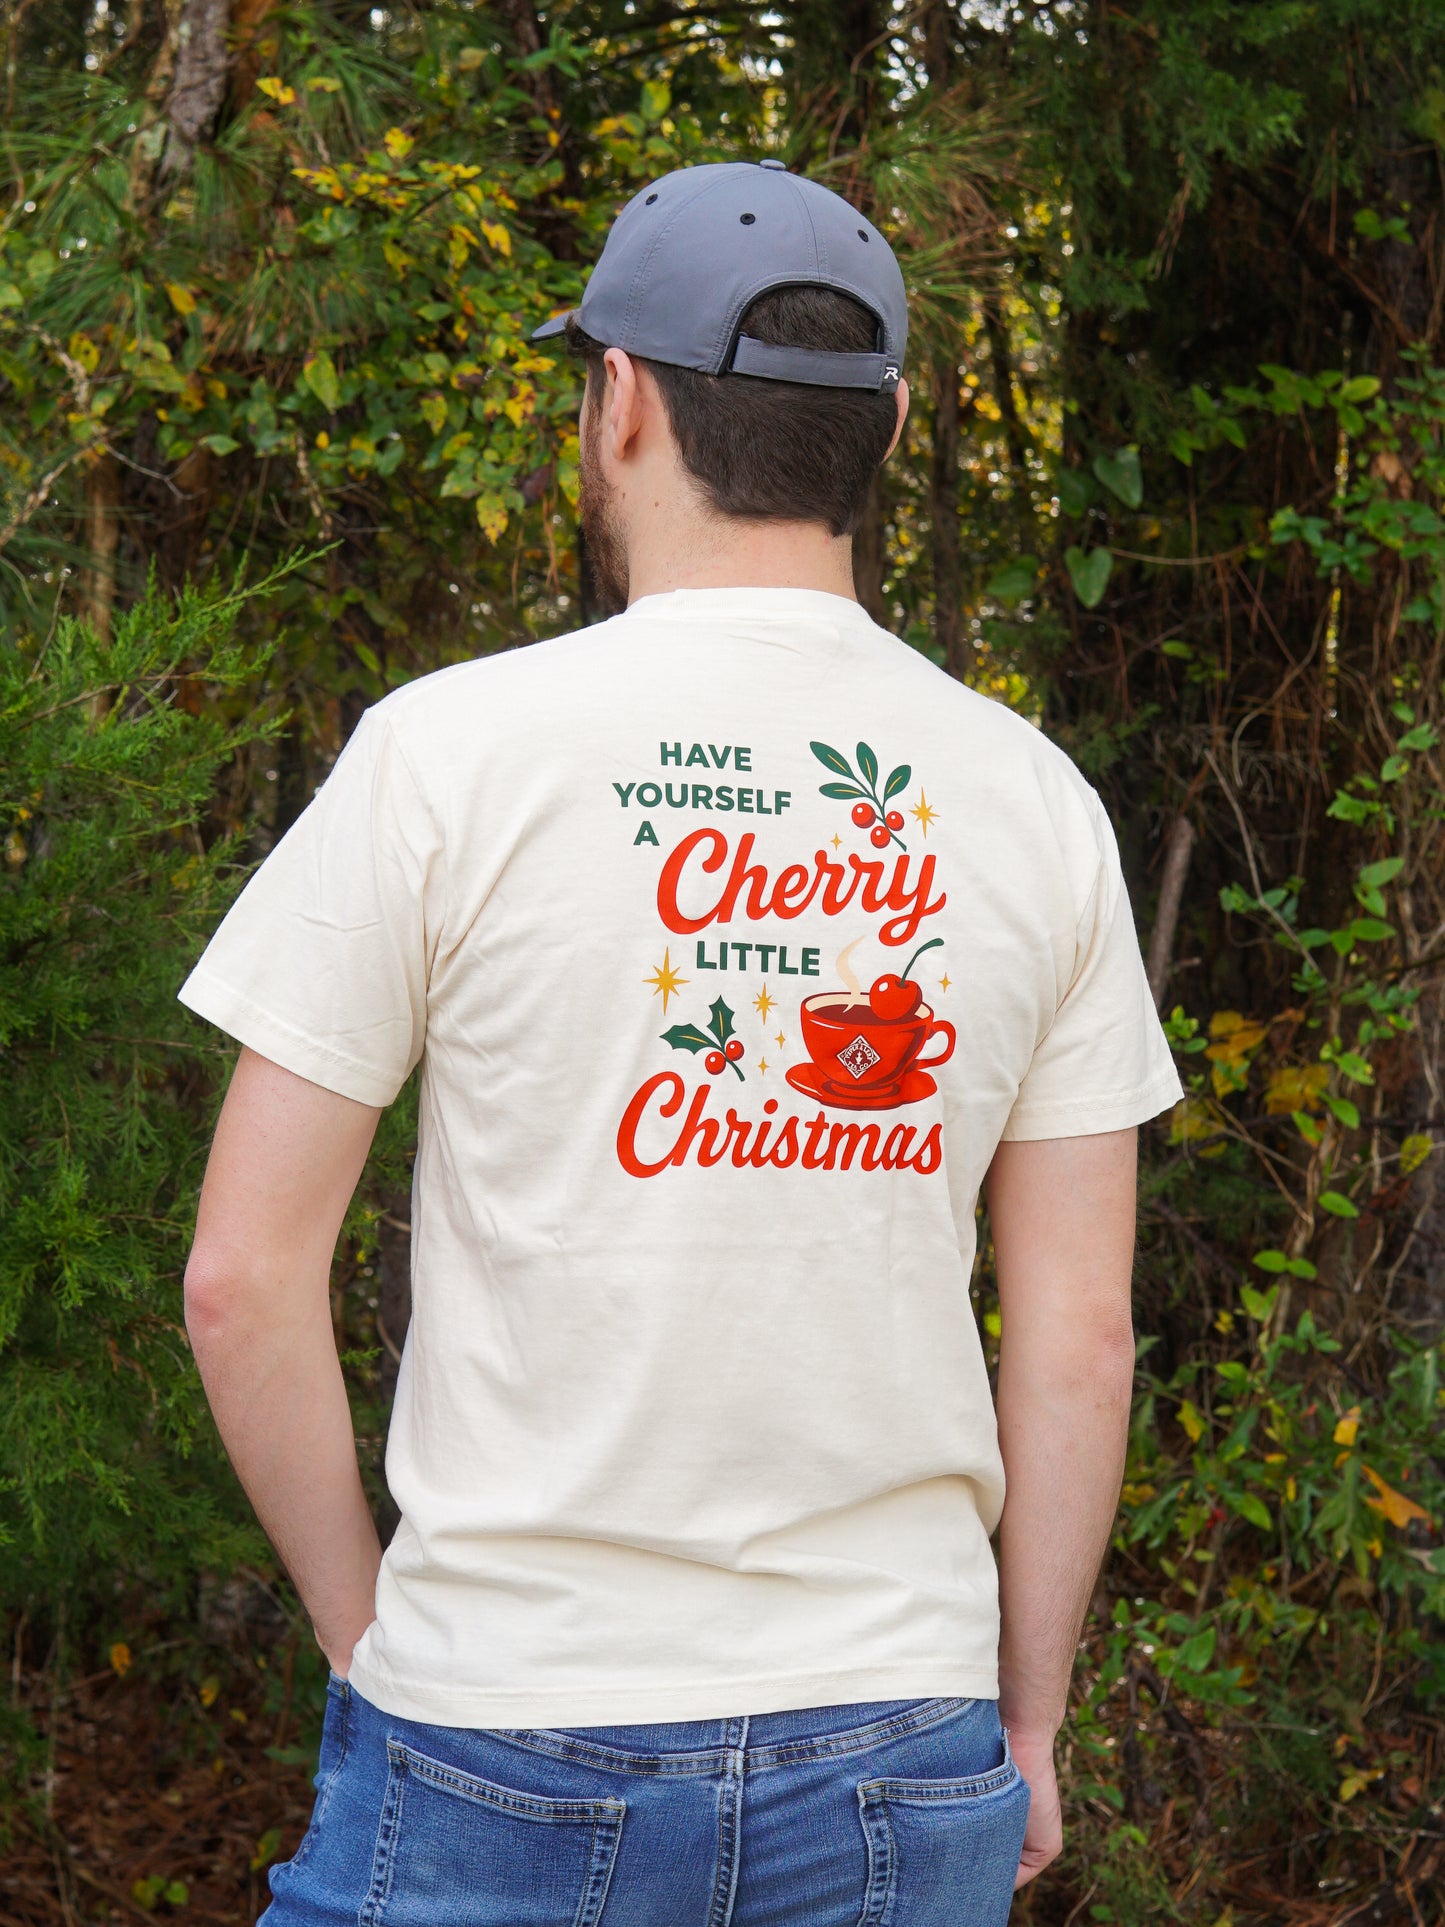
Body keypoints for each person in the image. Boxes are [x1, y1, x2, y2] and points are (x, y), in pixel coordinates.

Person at [180, 160, 1183, 1926]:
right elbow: (1079, 1334)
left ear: (619, 402)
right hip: (897, 1727)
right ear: (880, 425)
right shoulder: (1032, 801)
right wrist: (1026, 1719)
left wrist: (372, 1637)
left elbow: (241, 1282)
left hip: (502, 1712)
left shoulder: (446, 755)